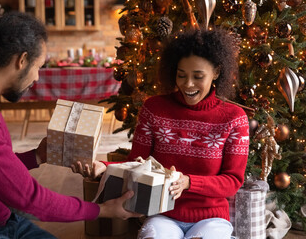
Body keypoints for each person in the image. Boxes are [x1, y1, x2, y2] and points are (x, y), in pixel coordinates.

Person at [0, 12, 139, 239]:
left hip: (1, 217)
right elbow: (30, 199)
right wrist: (104, 210)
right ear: (22, 60)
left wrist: (37, 155)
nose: (37, 77)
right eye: (38, 66)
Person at [72, 28, 249, 239]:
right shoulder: (154, 109)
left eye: (198, 76)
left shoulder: (234, 118)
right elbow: (137, 163)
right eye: (181, 75)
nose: (188, 84)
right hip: (163, 214)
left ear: (217, 73)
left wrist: (188, 181)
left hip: (210, 219)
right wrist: (103, 167)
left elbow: (232, 181)